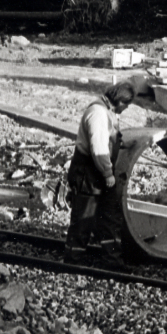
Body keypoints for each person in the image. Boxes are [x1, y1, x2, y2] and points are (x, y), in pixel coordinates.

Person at [65, 82, 135, 264]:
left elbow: (108, 138)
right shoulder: (97, 113)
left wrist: (122, 145)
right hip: (88, 172)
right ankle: (73, 260)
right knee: (84, 218)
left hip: (97, 170)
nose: (126, 109)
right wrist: (108, 173)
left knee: (109, 216)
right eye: (127, 105)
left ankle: (112, 260)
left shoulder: (106, 111)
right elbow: (99, 148)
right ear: (120, 101)